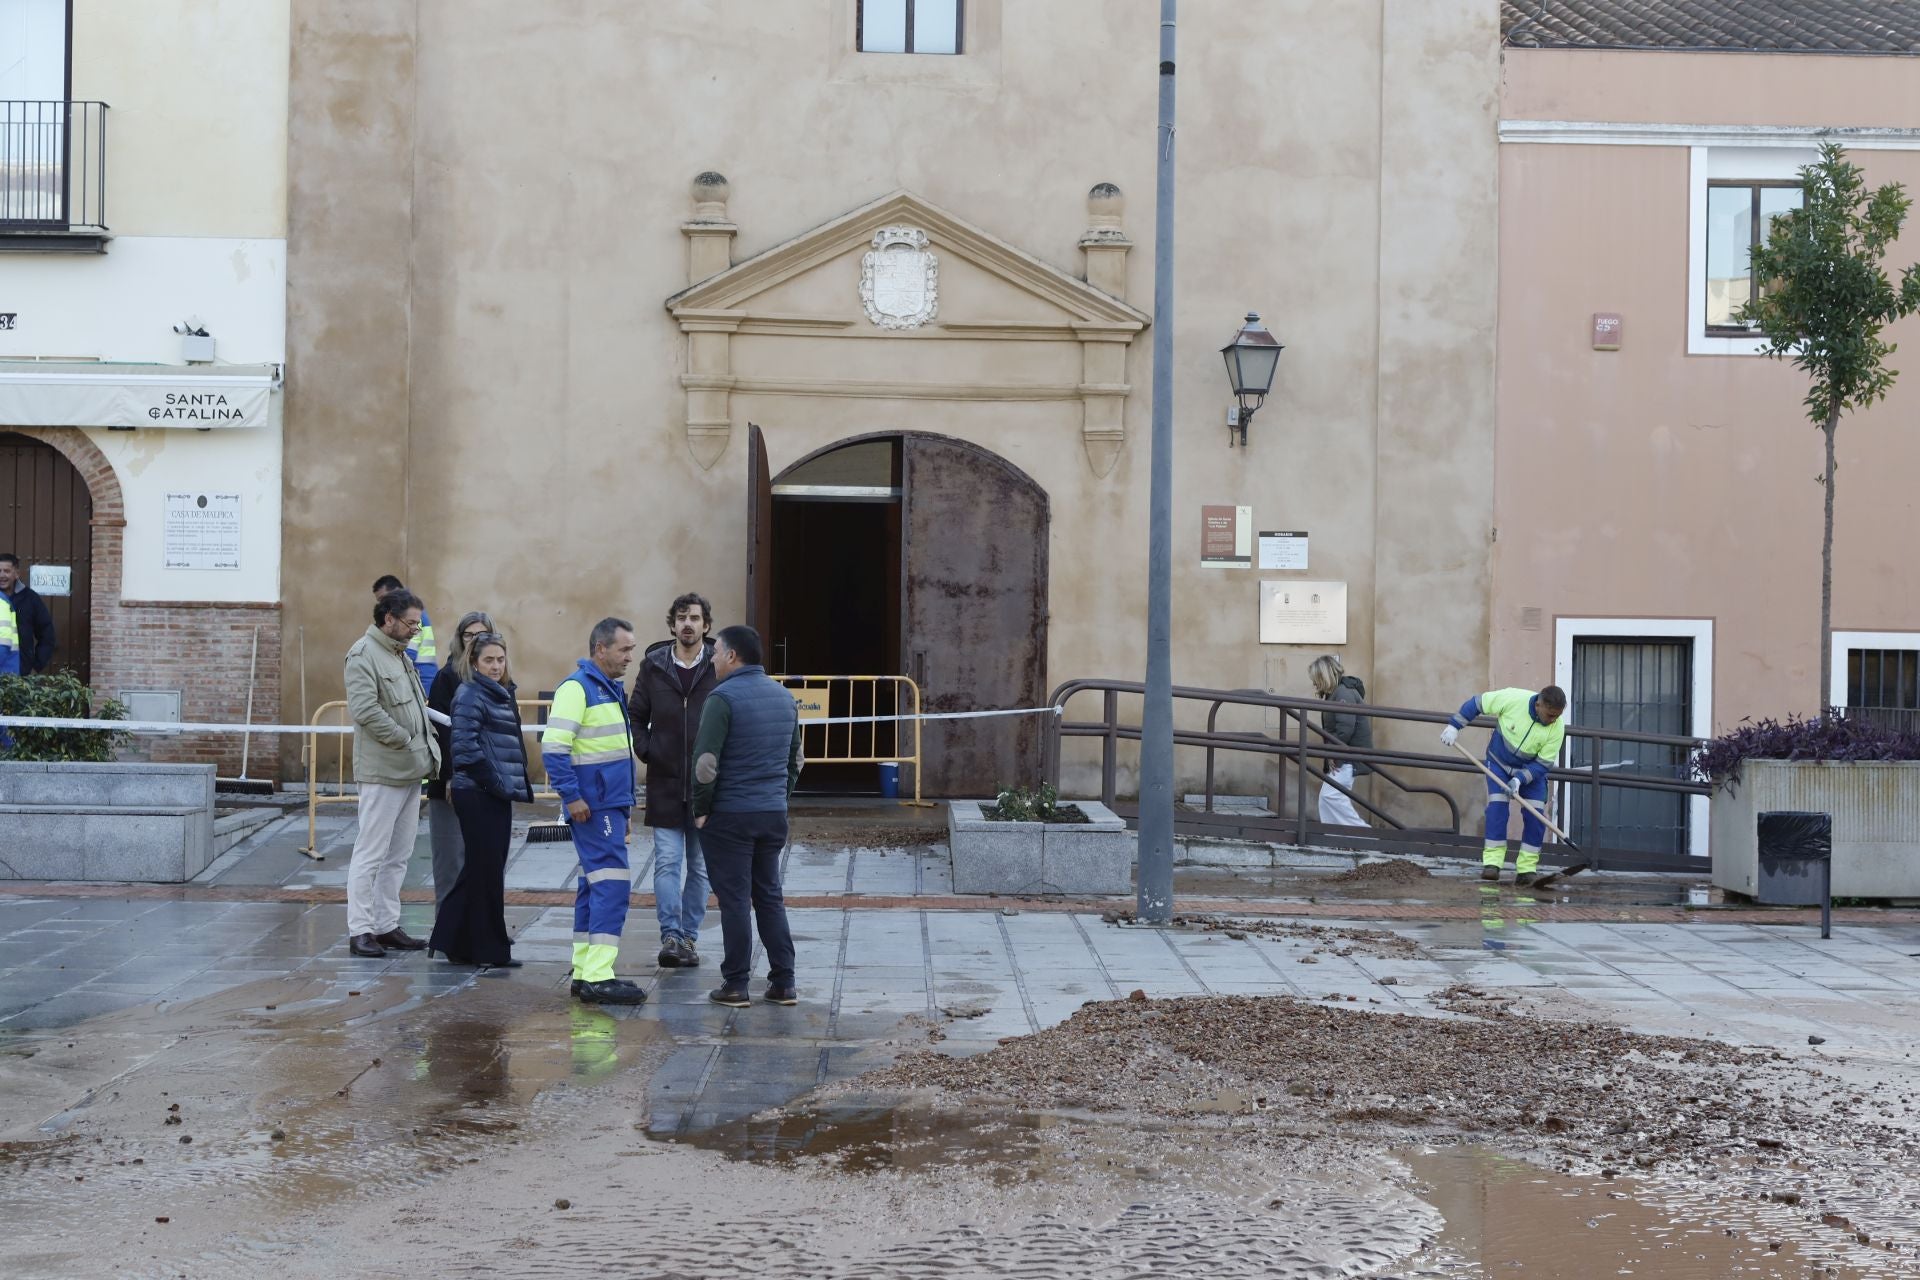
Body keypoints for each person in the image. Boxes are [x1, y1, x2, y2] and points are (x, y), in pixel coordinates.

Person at [692, 624, 803, 1009]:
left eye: (716, 652)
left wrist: (701, 809)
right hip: (771, 814)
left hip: (730, 816)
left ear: (732, 656)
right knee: (769, 896)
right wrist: (779, 798)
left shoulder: (722, 699)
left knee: (735, 900)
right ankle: (784, 982)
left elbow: (706, 763)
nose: (712, 658)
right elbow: (796, 761)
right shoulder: (784, 697)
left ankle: (736, 985)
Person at [542, 617, 646, 1006]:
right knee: (612, 884)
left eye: (632, 649)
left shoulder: (607, 688)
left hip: (608, 805)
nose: (630, 656)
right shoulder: (578, 689)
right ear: (600, 649)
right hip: (594, 807)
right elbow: (553, 748)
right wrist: (572, 797)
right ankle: (600, 976)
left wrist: (625, 805)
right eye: (624, 649)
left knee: (593, 885)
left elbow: (614, 755)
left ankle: (586, 973)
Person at [343, 589, 441, 957]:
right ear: (389, 619)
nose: (416, 629)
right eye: (411, 622)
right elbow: (365, 710)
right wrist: (404, 739)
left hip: (410, 769)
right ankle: (360, 930)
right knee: (370, 853)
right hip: (383, 770)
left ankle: (385, 924)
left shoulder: (398, 656)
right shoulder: (364, 655)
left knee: (398, 854)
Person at [429, 632, 533, 968]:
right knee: (486, 873)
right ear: (473, 662)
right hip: (478, 792)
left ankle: (452, 941)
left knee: (479, 870)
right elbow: (465, 749)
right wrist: (497, 783)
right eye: (488, 659)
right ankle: (489, 949)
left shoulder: (497, 693)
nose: (495, 666)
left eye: (500, 659)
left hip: (490, 791)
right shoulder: (471, 693)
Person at [630, 592, 716, 969]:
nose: (687, 624)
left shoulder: (718, 665)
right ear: (671, 625)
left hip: (705, 785)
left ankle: (690, 938)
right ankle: (671, 935)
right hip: (664, 782)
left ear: (705, 626)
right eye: (682, 617)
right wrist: (648, 750)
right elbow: (635, 715)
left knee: (699, 867)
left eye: (694, 618)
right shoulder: (653, 666)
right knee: (666, 863)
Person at [1440, 685, 1568, 886]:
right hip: (1498, 763)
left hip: (1531, 773)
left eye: (1558, 716)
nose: (1553, 720)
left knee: (1536, 817)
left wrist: (1520, 779)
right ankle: (1492, 865)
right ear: (1538, 704)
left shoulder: (1557, 726)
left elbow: (1543, 763)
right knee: (1497, 810)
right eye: (1550, 715)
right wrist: (1455, 726)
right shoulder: (1512, 698)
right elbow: (1477, 703)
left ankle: (1526, 870)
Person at [427, 611, 498, 911]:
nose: (476, 641)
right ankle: (448, 929)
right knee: (451, 859)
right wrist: (450, 776)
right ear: (460, 639)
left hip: (488, 782)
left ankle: (483, 927)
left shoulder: (498, 681)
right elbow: (442, 732)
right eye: (469, 636)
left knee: (485, 860)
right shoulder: (448, 677)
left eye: (482, 635)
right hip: (452, 781)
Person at [1308, 654, 1372, 828]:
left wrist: (1331, 754)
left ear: (1325, 677)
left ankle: (1363, 834)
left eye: (1316, 679)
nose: (1314, 684)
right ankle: (1336, 838)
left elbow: (1345, 729)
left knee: (1332, 796)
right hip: (1342, 755)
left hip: (1348, 757)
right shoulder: (1336, 693)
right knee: (1326, 798)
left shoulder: (1343, 694)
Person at [372, 573, 438, 691]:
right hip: (421, 682)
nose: (382, 604)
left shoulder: (412, 614)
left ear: (396, 591)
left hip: (421, 685)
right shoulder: (410, 610)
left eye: (382, 598)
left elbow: (407, 654)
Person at [0, 555, 55, 674]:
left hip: (22, 674)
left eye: (7, 571)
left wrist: (36, 666)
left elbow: (47, 635)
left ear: (17, 574)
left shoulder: (30, 599)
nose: (2, 575)